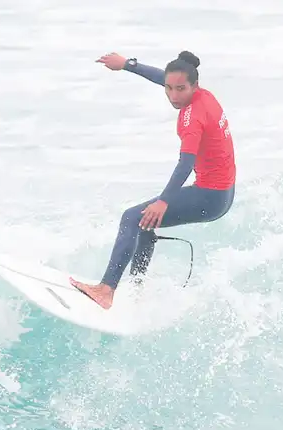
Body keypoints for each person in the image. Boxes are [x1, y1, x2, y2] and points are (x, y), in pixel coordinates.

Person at [70, 50, 236, 309]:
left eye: (180, 89)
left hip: (210, 195)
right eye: (169, 89)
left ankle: (105, 291)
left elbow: (185, 164)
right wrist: (126, 65)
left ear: (194, 85)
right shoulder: (203, 96)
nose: (173, 95)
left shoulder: (193, 118)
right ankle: (136, 291)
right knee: (145, 222)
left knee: (132, 217)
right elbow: (164, 77)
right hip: (223, 193)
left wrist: (164, 202)